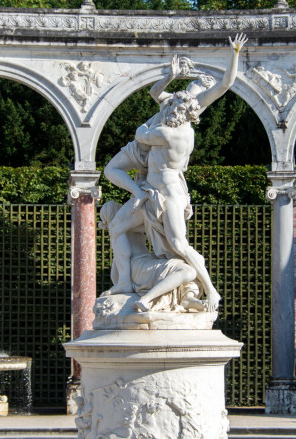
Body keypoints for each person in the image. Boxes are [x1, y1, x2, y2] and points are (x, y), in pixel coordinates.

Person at [102, 33, 248, 312]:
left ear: (189, 111)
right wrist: (172, 77)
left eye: (175, 107)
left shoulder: (169, 134)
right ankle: (123, 283)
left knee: (179, 244)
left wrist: (235, 54)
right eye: (170, 106)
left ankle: (212, 291)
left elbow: (141, 134)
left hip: (168, 194)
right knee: (117, 226)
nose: (169, 109)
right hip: (150, 191)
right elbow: (160, 94)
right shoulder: (174, 120)